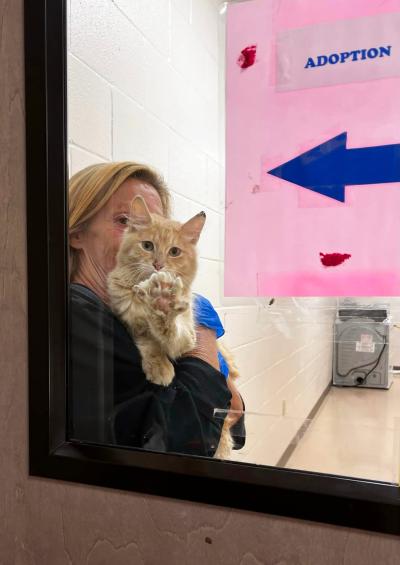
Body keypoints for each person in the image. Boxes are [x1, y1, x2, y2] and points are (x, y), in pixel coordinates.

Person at [68, 162, 245, 457]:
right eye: (126, 222)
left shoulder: (127, 309)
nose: (143, 241)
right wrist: (201, 335)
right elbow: (185, 441)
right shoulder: (77, 318)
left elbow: (233, 417)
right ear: (77, 234)